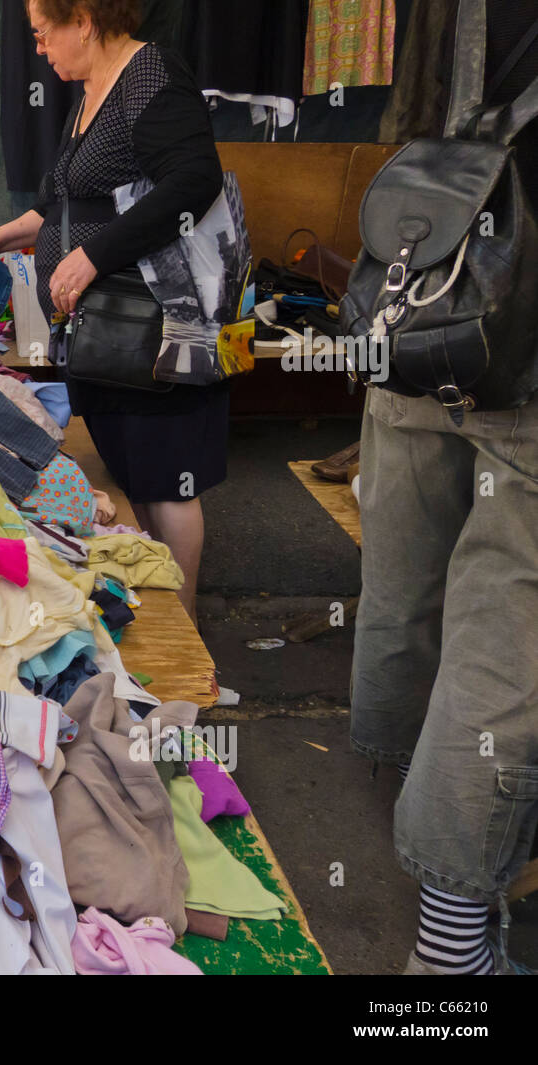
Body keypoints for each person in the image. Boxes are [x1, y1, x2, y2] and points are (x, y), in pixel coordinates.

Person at [351, 0, 538, 976]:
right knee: (504, 628)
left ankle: (392, 809)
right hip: (524, 340)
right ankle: (449, 950)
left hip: (420, 305)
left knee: (402, 572)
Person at [0, 0, 225, 622]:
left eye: (45, 34)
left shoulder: (151, 78)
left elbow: (193, 180)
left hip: (149, 325)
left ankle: (184, 631)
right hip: (101, 333)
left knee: (166, 475)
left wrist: (93, 256)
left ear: (85, 21)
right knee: (136, 473)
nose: (41, 49)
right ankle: (158, 610)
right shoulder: (92, 90)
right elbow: (62, 206)